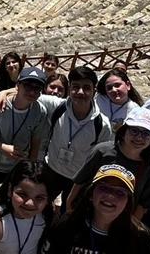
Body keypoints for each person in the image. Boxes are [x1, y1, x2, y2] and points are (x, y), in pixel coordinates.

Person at [30, 163, 150, 254]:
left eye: (120, 192)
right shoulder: (67, 223)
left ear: (128, 202)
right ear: (90, 193)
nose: (110, 196)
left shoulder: (140, 237)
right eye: (104, 188)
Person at [67, 108, 150, 224]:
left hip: (121, 221)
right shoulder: (102, 151)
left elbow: (143, 205)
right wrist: (69, 204)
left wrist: (129, 227)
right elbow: (80, 181)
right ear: (123, 131)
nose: (139, 138)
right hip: (89, 213)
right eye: (134, 131)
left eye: (145, 134)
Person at [0, 64, 52, 203]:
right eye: (28, 86)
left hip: (17, 165)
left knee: (11, 195)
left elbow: (36, 141)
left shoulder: (40, 111)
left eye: (37, 88)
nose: (32, 92)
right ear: (18, 85)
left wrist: (30, 167)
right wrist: (3, 147)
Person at [40, 66, 112, 201]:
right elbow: (27, 93)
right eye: (75, 87)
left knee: (68, 212)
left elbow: (100, 158)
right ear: (69, 89)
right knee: (42, 206)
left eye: (86, 87)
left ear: (94, 91)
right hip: (51, 169)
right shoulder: (58, 107)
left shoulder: (102, 124)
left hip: (77, 178)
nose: (80, 92)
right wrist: (4, 94)